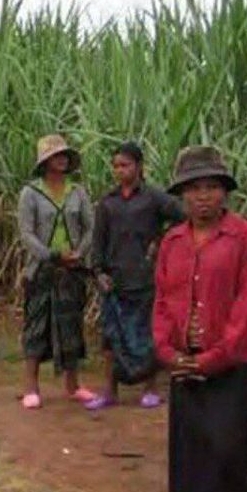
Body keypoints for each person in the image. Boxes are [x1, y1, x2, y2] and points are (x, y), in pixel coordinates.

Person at [155, 146, 247, 492]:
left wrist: (212, 358)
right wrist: (167, 351)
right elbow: (162, 301)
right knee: (193, 451)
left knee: (228, 452)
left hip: (229, 365)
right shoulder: (173, 242)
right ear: (182, 195)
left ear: (225, 192)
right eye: (194, 188)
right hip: (185, 361)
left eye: (212, 187)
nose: (203, 196)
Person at [84, 142, 184, 410]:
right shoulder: (108, 202)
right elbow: (98, 241)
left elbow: (183, 215)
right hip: (114, 278)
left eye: (125, 165)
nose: (119, 170)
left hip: (144, 278)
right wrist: (98, 272)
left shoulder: (153, 198)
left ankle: (149, 389)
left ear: (139, 167)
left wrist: (161, 241)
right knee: (111, 338)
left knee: (146, 334)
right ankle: (109, 390)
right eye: (115, 166)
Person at [17, 134, 95, 409]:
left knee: (72, 324)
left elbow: (89, 228)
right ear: (45, 162)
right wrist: (51, 255)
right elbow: (26, 234)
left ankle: (73, 385)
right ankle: (31, 388)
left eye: (64, 155)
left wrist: (79, 253)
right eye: (55, 155)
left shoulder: (78, 192)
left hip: (72, 270)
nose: (61, 159)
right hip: (42, 270)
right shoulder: (31, 193)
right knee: (36, 325)